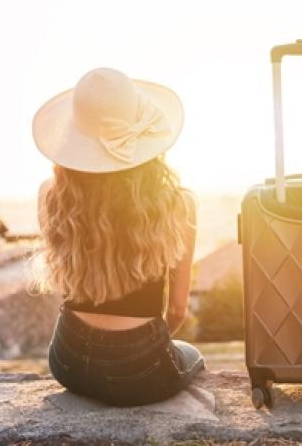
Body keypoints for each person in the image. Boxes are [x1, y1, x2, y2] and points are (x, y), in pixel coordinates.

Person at [29, 67, 205, 406]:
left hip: (67, 360)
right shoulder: (179, 204)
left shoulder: (51, 197)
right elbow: (179, 310)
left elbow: (68, 286)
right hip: (140, 370)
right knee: (190, 353)